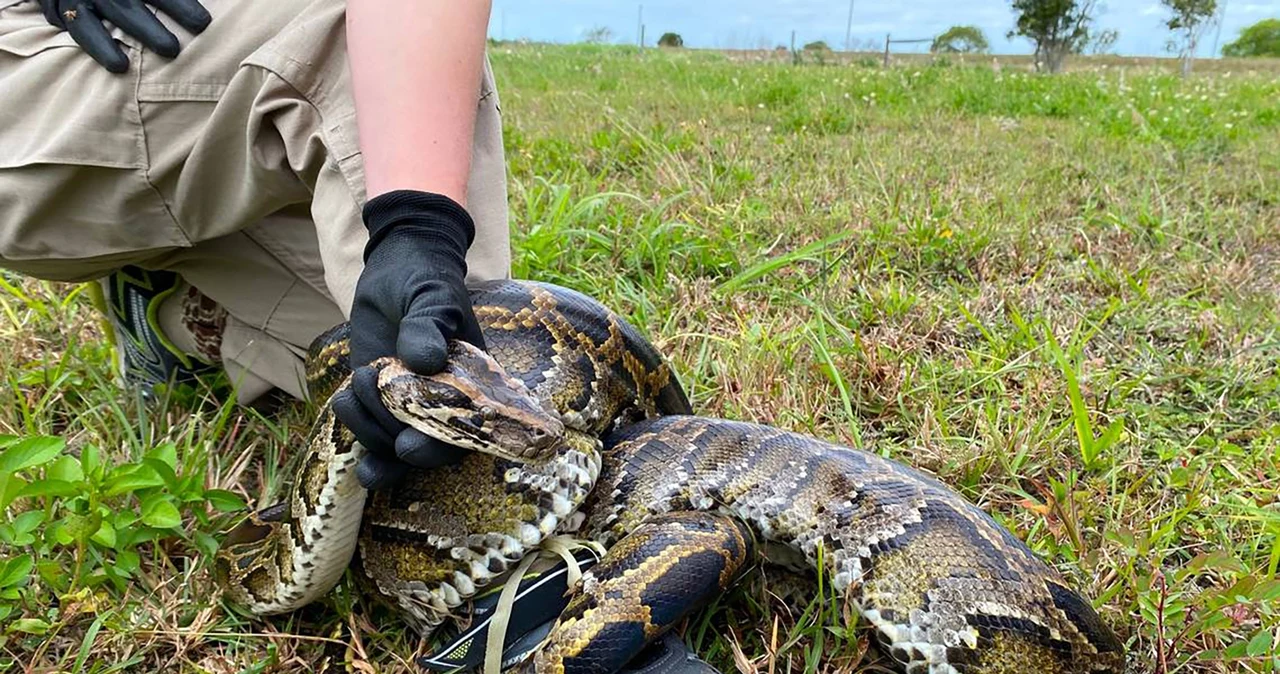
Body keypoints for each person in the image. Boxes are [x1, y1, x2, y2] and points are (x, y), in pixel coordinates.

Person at [0, 1, 716, 671]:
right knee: (349, 36)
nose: (537, 431)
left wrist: (416, 233)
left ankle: (180, 315)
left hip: (194, 53)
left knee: (366, 334)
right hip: (38, 53)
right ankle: (505, 594)